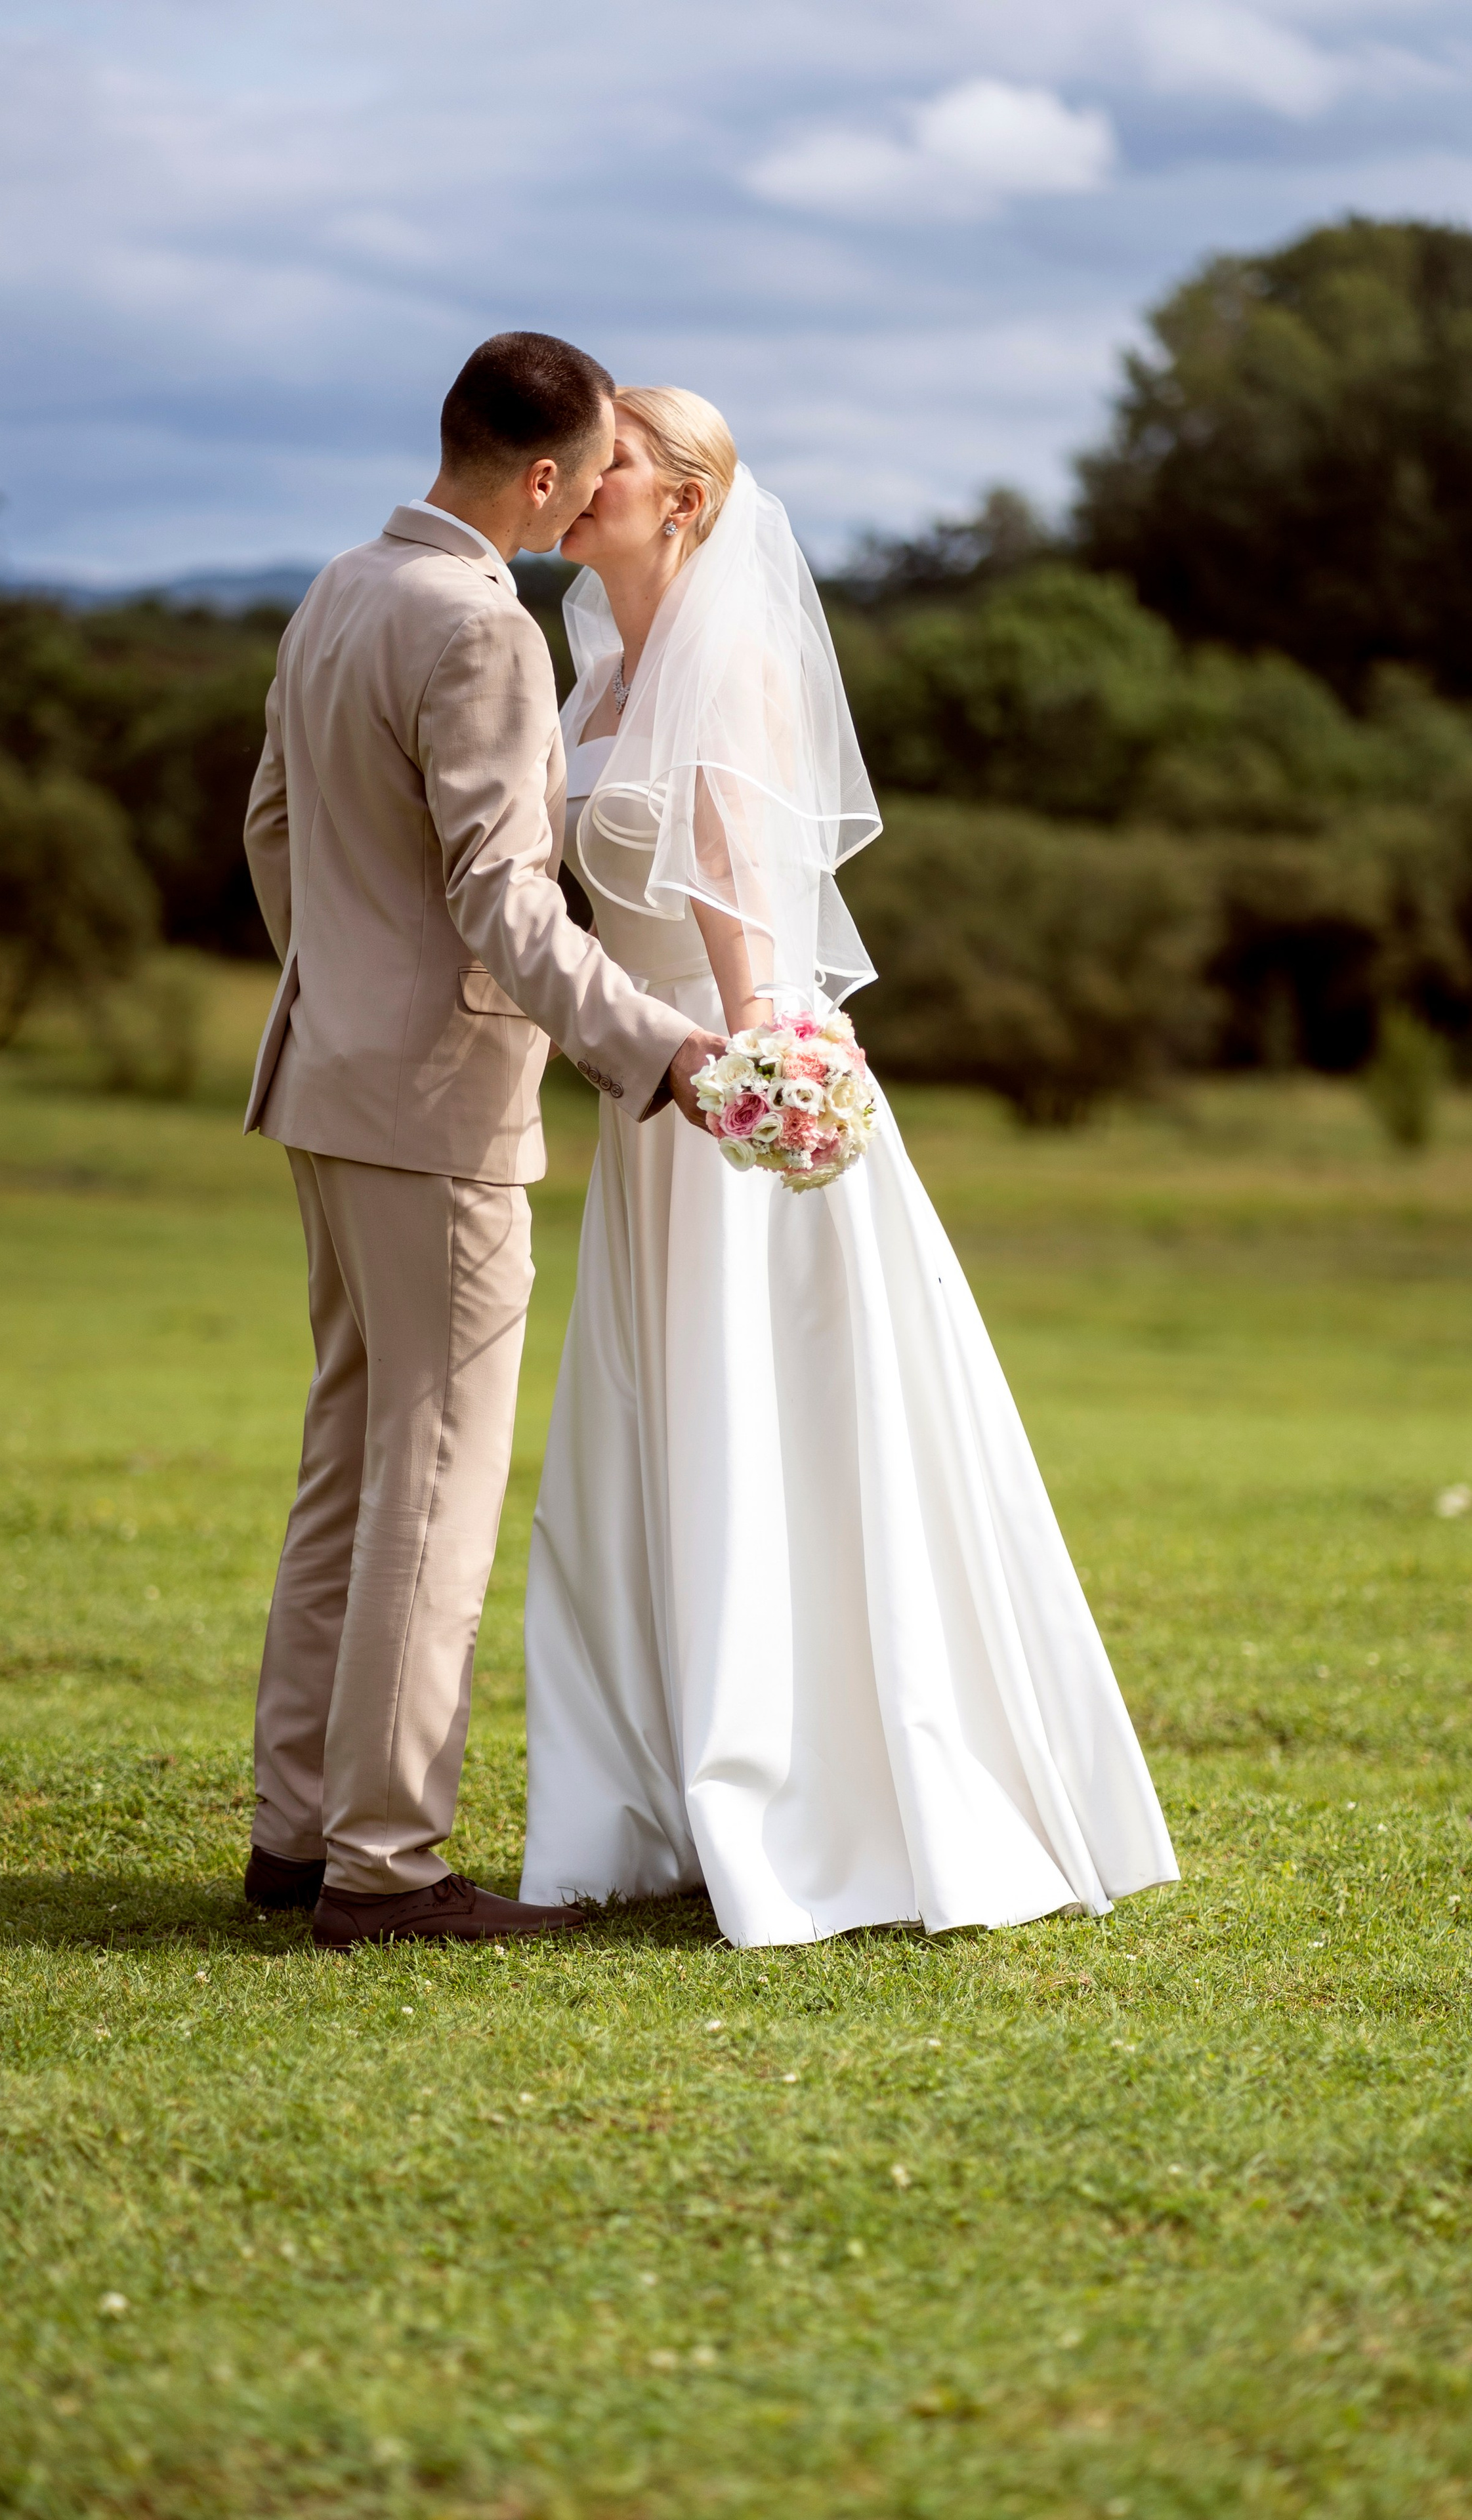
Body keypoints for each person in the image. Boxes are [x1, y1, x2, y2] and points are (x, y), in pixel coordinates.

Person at [519, 388, 1179, 1948]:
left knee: (771, 1416)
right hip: (649, 1083)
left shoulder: (722, 659)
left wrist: (766, 1066)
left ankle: (813, 1796)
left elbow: (745, 883)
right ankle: (667, 1781)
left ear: (678, 498)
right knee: (660, 1420)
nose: (573, 483)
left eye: (605, 461)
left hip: (728, 1084)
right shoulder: (593, 660)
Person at [239, 336, 725, 1949]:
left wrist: (346, 988)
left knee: (347, 1464)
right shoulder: (482, 628)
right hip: (436, 1106)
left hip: (326, 1082)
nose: (595, 501)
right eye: (588, 476)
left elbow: (269, 827)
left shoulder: (336, 588)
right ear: (537, 478)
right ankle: (384, 1866)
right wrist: (660, 1050)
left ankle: (292, 1835)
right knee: (432, 1485)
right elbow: (505, 898)